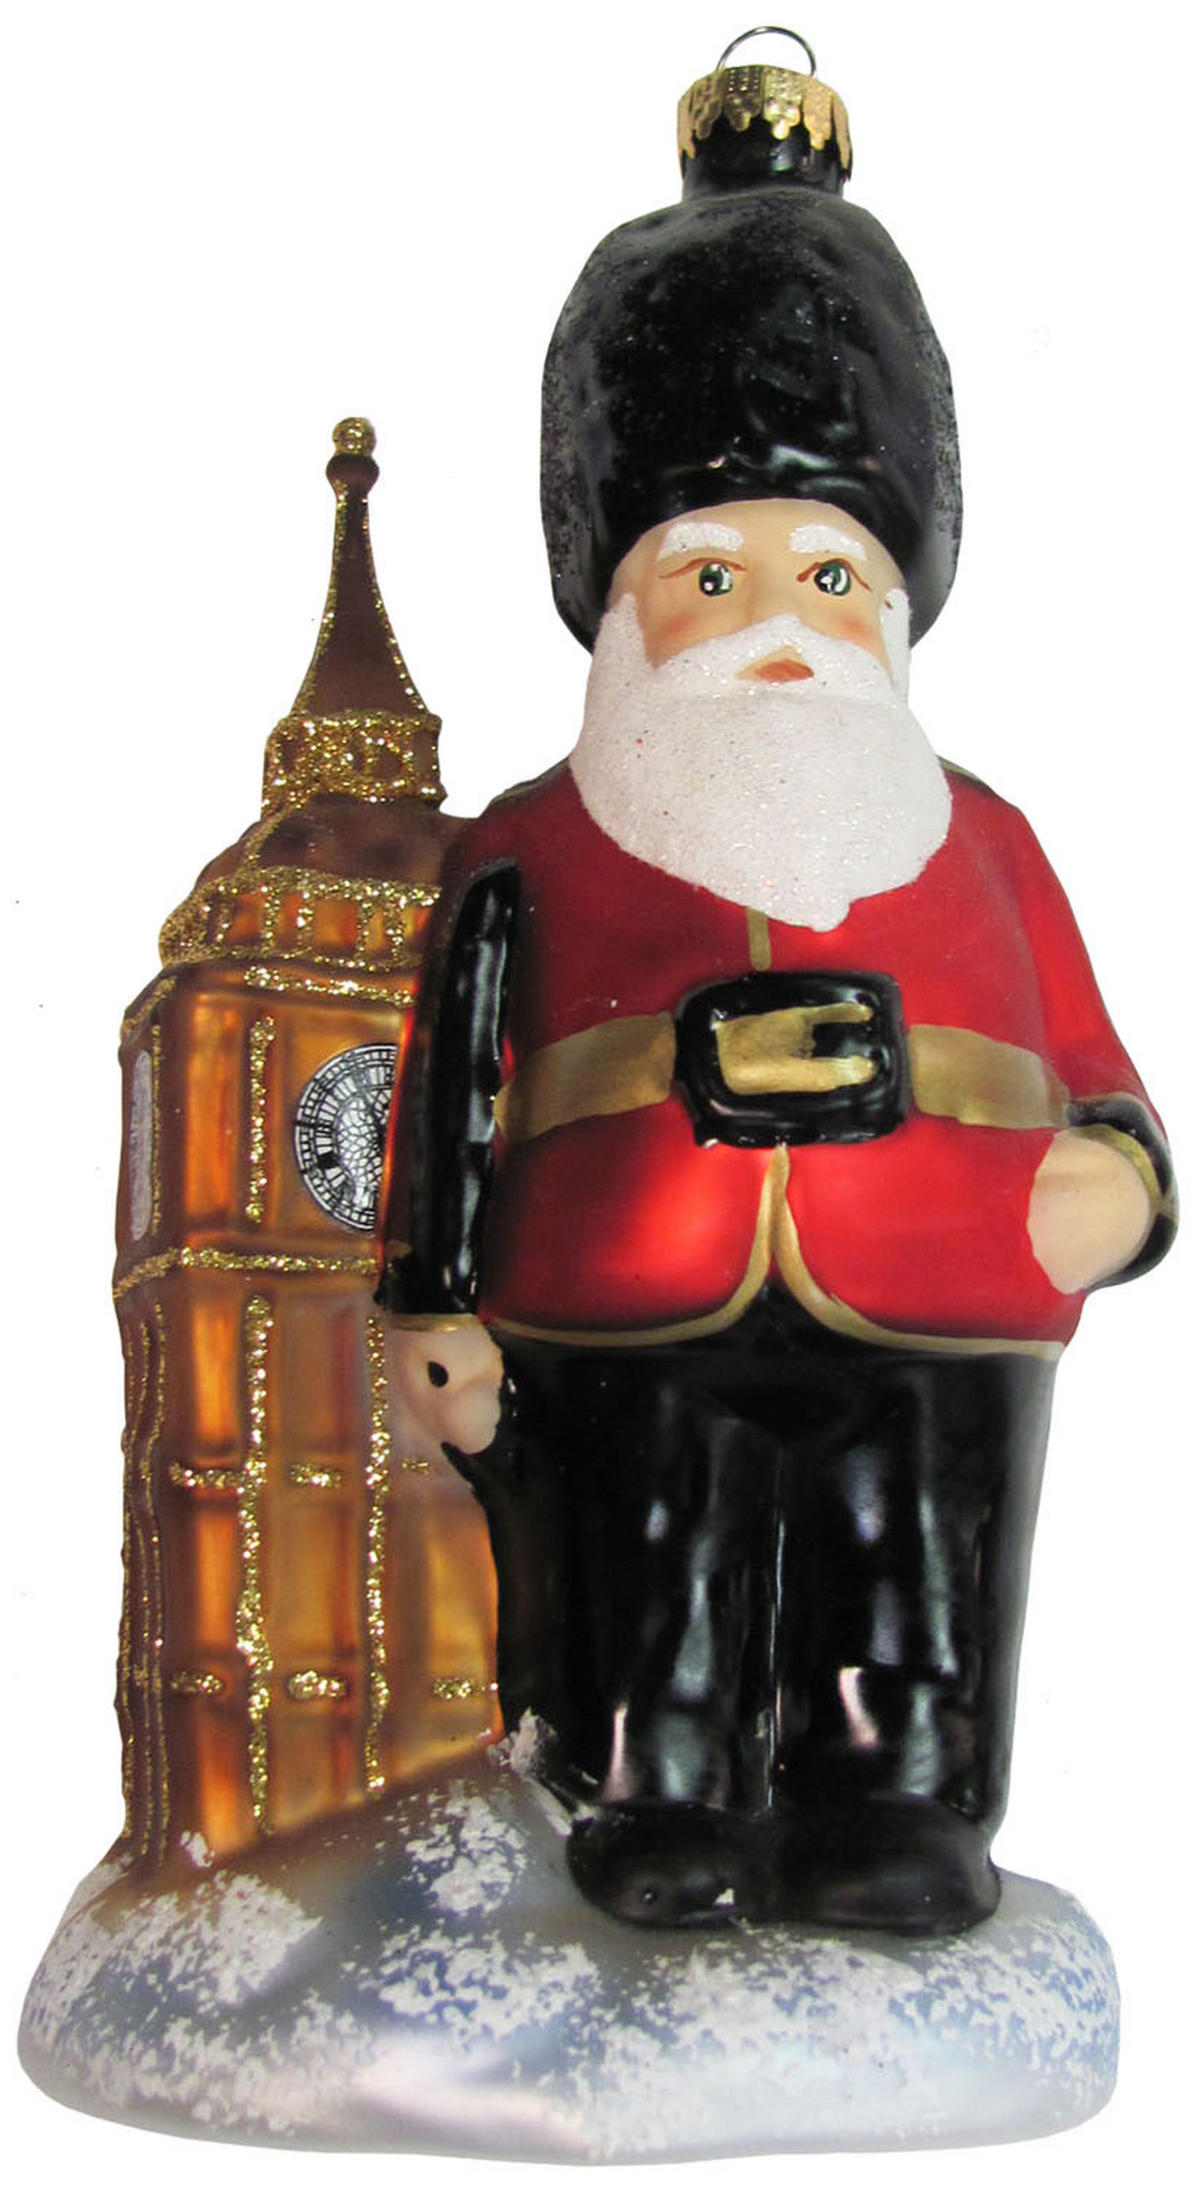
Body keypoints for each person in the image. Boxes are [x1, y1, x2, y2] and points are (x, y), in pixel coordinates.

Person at [376, 58, 1175, 1935]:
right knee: (648, 1561)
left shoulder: (986, 836)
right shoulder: (530, 839)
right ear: (619, 605)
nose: (779, 626)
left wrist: (1123, 1178)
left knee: (921, 1570)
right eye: (711, 576)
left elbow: (1086, 1048)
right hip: (625, 1284)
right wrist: (427, 1295)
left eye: (827, 574)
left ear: (890, 610)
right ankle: (657, 1791)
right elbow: (453, 1070)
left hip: (942, 1278)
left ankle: (901, 1802)